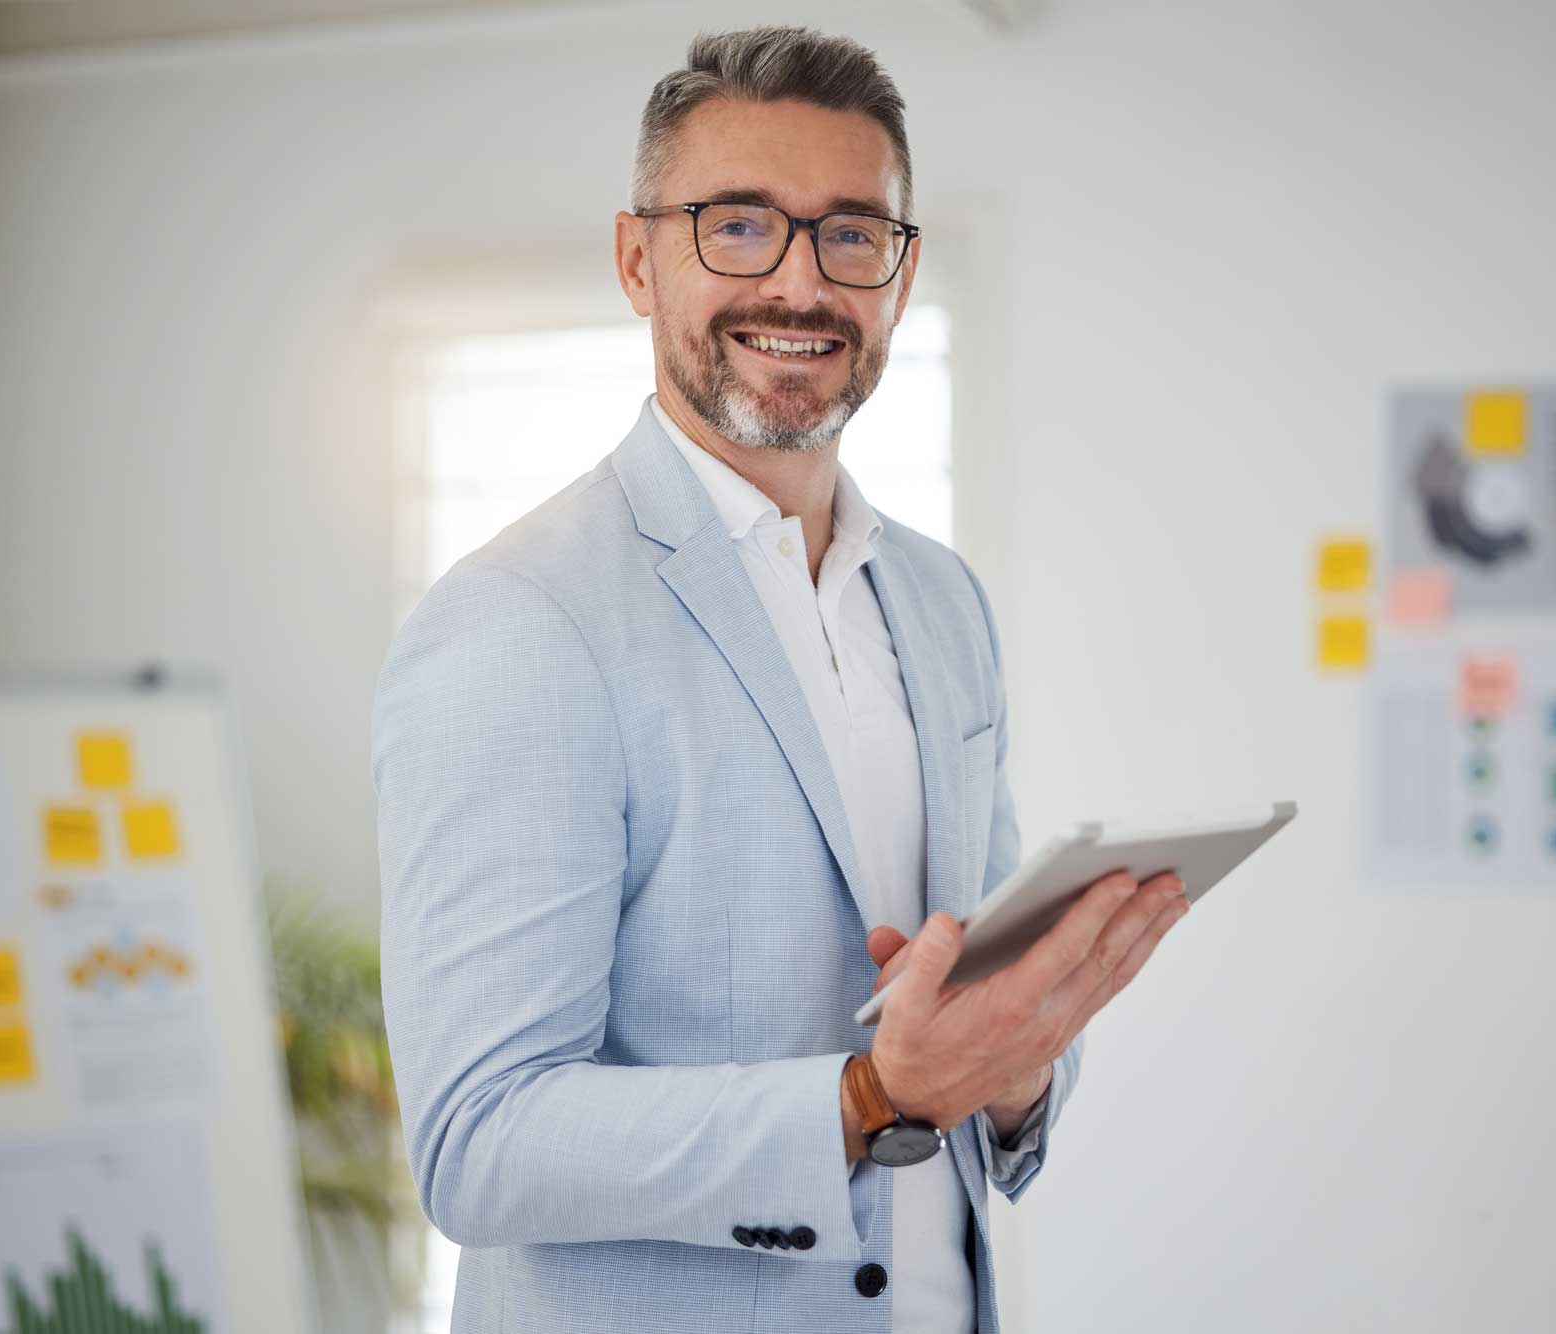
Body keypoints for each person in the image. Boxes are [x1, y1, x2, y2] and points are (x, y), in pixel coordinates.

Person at [373, 25, 1189, 1332]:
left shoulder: (941, 601)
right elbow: (480, 1140)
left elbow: (968, 1012)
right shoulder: (518, 621)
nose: (801, 286)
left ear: (901, 274)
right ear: (640, 260)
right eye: (738, 225)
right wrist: (866, 1095)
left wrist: (1017, 1062)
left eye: (851, 234)